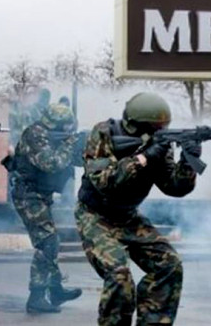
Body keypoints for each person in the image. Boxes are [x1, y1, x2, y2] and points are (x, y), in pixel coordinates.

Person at [75, 92, 201, 326]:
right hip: (95, 216)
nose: (160, 131)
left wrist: (188, 161)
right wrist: (144, 158)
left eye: (163, 127)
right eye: (155, 127)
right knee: (119, 275)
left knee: (169, 265)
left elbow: (174, 187)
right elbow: (104, 181)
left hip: (128, 216)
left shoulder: (159, 145)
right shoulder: (104, 133)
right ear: (136, 126)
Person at [8, 103, 83, 313]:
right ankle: (37, 297)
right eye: (65, 126)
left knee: (51, 242)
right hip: (28, 196)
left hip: (40, 196)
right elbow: (51, 163)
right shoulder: (35, 135)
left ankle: (55, 289)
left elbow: (73, 161)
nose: (68, 129)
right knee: (47, 242)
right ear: (55, 124)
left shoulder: (51, 135)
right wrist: (69, 144)